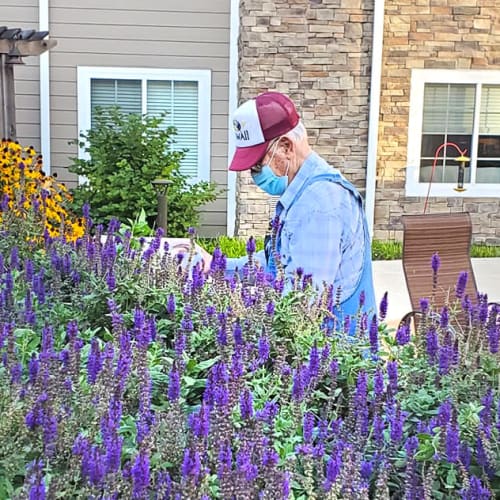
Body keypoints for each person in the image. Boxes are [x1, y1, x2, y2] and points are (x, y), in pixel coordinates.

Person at [226, 91, 376, 323]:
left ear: (286, 147)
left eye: (257, 165)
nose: (253, 175)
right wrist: (215, 266)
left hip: (335, 353)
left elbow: (303, 305)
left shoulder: (318, 204)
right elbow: (279, 264)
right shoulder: (303, 193)